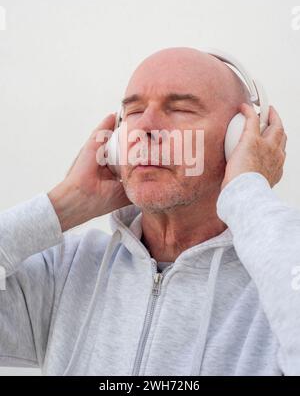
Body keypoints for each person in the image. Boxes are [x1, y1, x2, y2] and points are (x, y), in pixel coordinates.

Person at [0, 47, 297, 376]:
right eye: (134, 111)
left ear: (240, 137)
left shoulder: (275, 280)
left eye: (181, 109)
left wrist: (247, 190)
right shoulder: (67, 269)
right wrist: (65, 203)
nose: (146, 127)